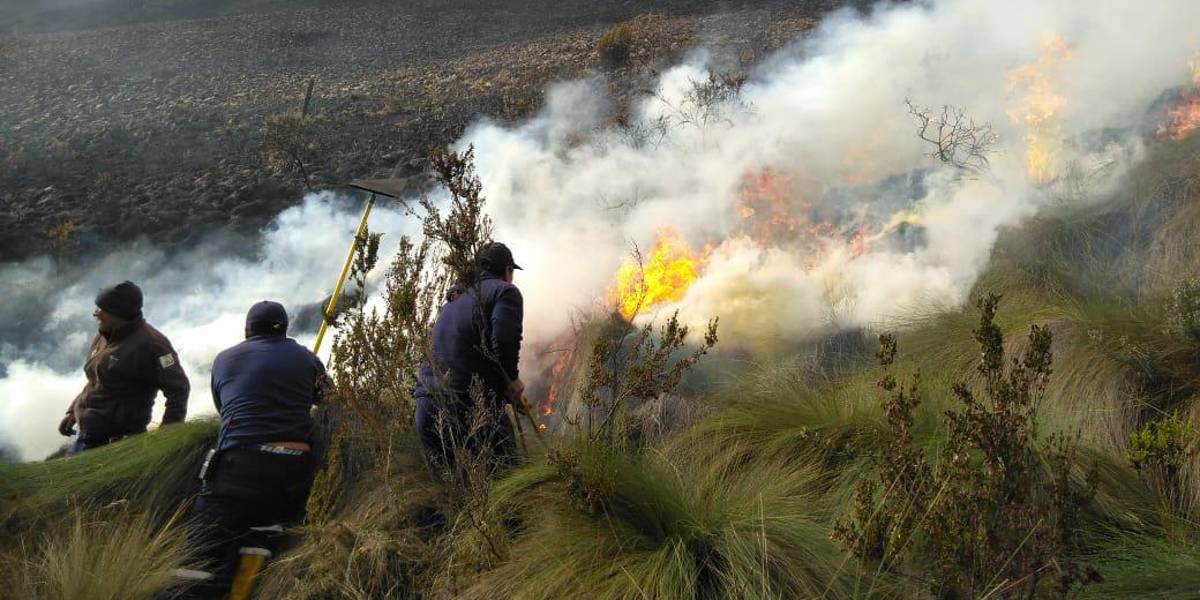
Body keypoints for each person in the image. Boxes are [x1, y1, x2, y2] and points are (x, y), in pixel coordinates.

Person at [181, 300, 327, 592]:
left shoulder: (224, 359)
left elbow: (225, 411)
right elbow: (329, 401)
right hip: (294, 469)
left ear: (247, 330)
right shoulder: (307, 358)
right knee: (265, 538)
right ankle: (254, 567)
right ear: (285, 329)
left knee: (199, 550)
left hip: (238, 466)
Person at [414, 242, 525, 469]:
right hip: (467, 404)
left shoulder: (451, 305)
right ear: (506, 270)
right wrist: (511, 379)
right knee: (506, 479)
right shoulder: (505, 291)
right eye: (511, 271)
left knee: (455, 490)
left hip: (426, 409)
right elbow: (504, 340)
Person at [58, 280, 189, 453]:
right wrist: (73, 412)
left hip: (118, 444)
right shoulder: (104, 335)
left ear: (117, 313)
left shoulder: (153, 345)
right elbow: (95, 380)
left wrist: (166, 436)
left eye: (101, 309)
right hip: (87, 437)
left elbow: (179, 390)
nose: (95, 314)